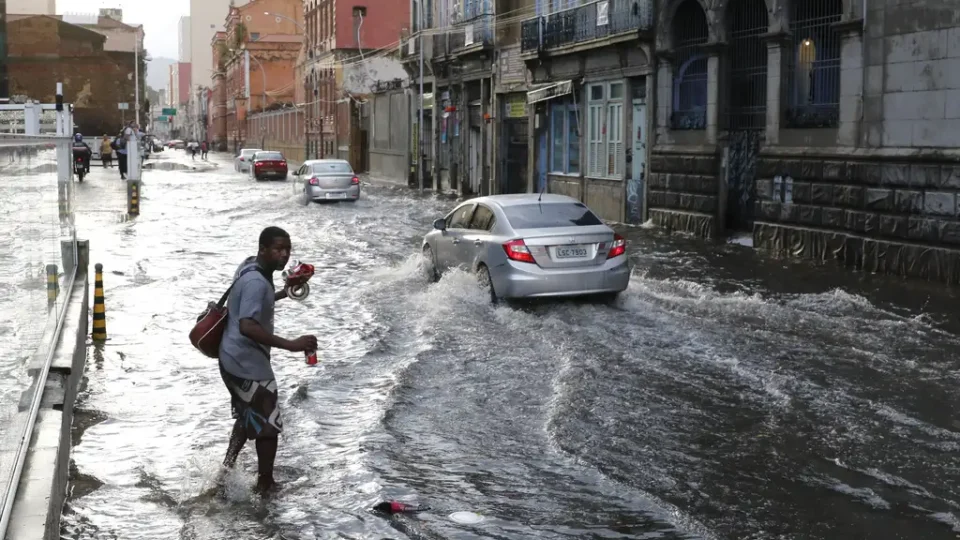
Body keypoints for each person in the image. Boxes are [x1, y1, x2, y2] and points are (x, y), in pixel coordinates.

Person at [218, 226, 317, 496]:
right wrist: (292, 345)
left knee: (248, 413)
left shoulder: (251, 268)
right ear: (263, 249)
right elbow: (248, 325)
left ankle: (225, 470)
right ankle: (265, 485)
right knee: (269, 425)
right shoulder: (256, 282)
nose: (284, 255)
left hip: (230, 358)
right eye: (277, 249)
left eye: (287, 249)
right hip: (246, 362)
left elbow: (253, 304)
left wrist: (286, 292)